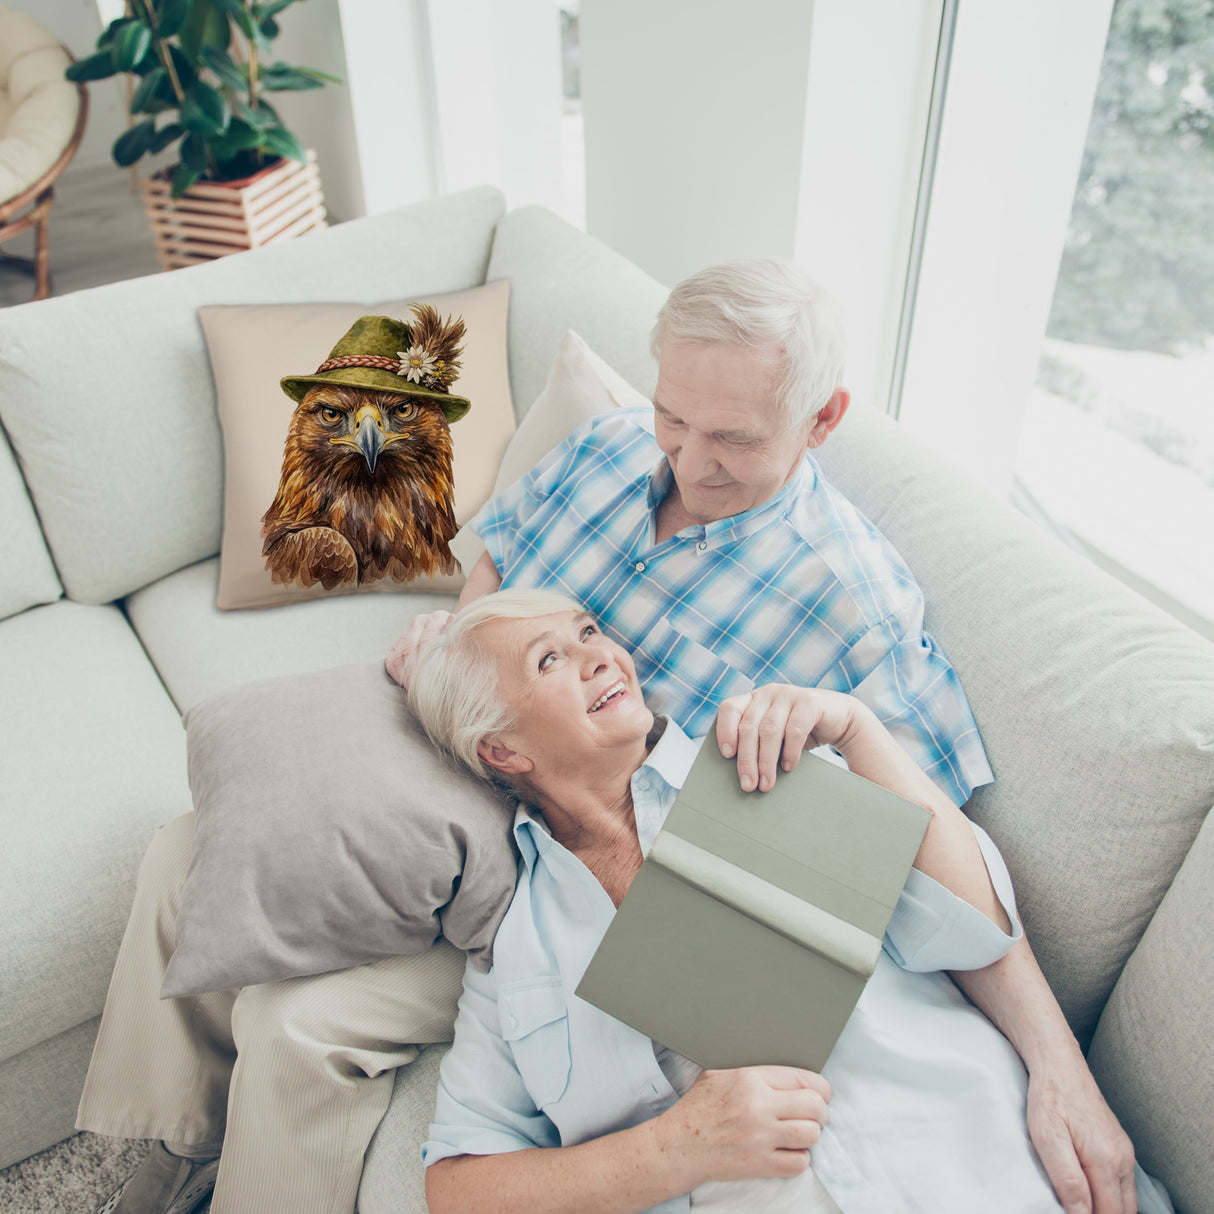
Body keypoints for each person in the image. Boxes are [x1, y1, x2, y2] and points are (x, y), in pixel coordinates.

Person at [388, 259, 1136, 1213]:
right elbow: (499, 562)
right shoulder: (605, 450)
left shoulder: (834, 654)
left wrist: (1060, 1068)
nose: (689, 461)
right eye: (673, 417)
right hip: (495, 839)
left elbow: (942, 883)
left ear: (822, 420)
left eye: (733, 438)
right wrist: (457, 660)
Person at [406, 588, 1156, 1214]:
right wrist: (674, 1149)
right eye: (548, 660)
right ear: (502, 750)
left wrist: (857, 728)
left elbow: (974, 930)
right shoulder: (516, 950)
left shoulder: (763, 764)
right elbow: (457, 1188)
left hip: (983, 1166)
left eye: (590, 632)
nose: (600, 656)